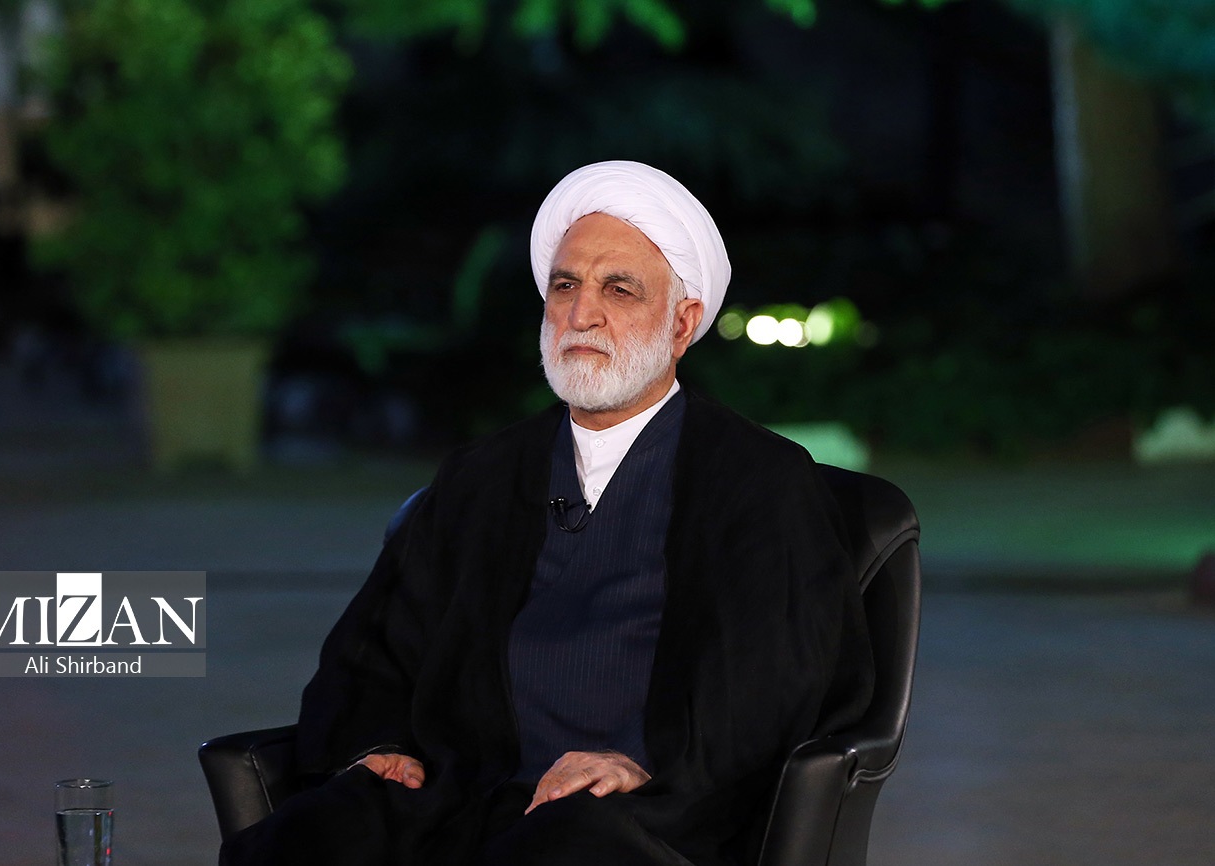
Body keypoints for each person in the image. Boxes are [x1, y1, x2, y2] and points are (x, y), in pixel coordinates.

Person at [220, 160, 873, 866]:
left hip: (641, 815)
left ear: (682, 323)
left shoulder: (761, 481)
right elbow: (376, 647)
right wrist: (376, 743)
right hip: (466, 793)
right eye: (565, 286)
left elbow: (776, 683)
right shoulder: (480, 477)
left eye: (618, 289)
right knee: (312, 836)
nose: (580, 313)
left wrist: (645, 764)